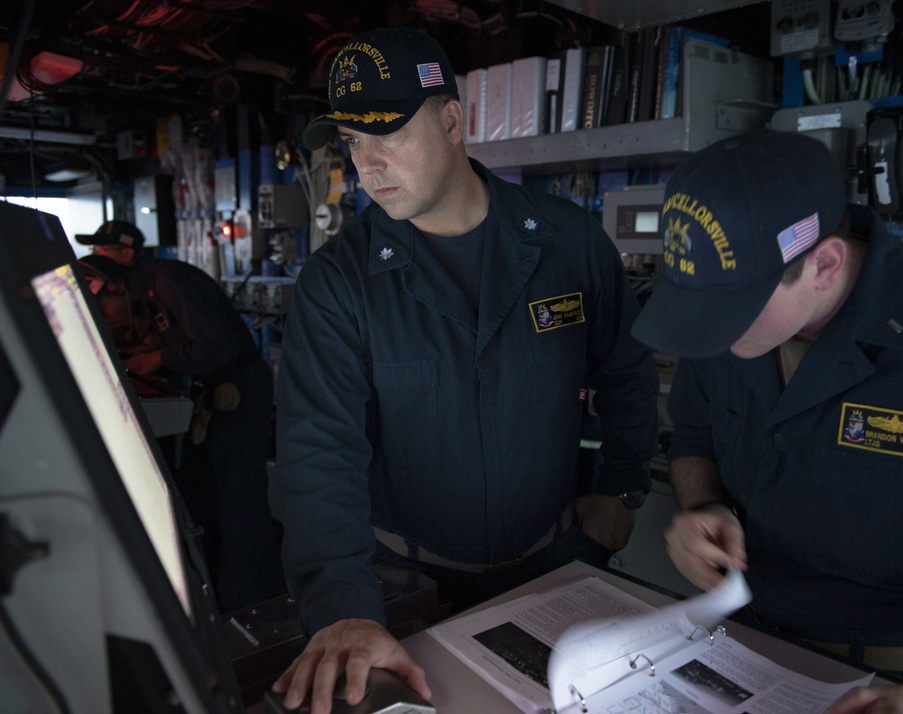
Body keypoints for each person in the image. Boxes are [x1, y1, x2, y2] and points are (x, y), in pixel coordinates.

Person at [272, 26, 660, 712]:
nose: (369, 164)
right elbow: (317, 453)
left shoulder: (569, 241)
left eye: (386, 134)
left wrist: (625, 493)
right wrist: (343, 606)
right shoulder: (340, 283)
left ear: (452, 120)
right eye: (353, 142)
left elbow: (625, 374)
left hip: (557, 566)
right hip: (406, 586)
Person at [630, 129, 903, 713]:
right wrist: (700, 507)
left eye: (731, 309)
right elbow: (696, 432)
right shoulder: (725, 324)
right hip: (746, 643)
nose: (713, 333)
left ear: (823, 264)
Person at [77, 221, 286, 613]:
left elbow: (217, 345)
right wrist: (146, 347)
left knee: (238, 496)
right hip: (210, 393)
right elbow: (171, 332)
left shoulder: (169, 279)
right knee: (206, 491)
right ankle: (219, 585)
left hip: (238, 390)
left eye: (105, 251)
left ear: (127, 254)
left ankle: (258, 598)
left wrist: (158, 357)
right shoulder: (144, 288)